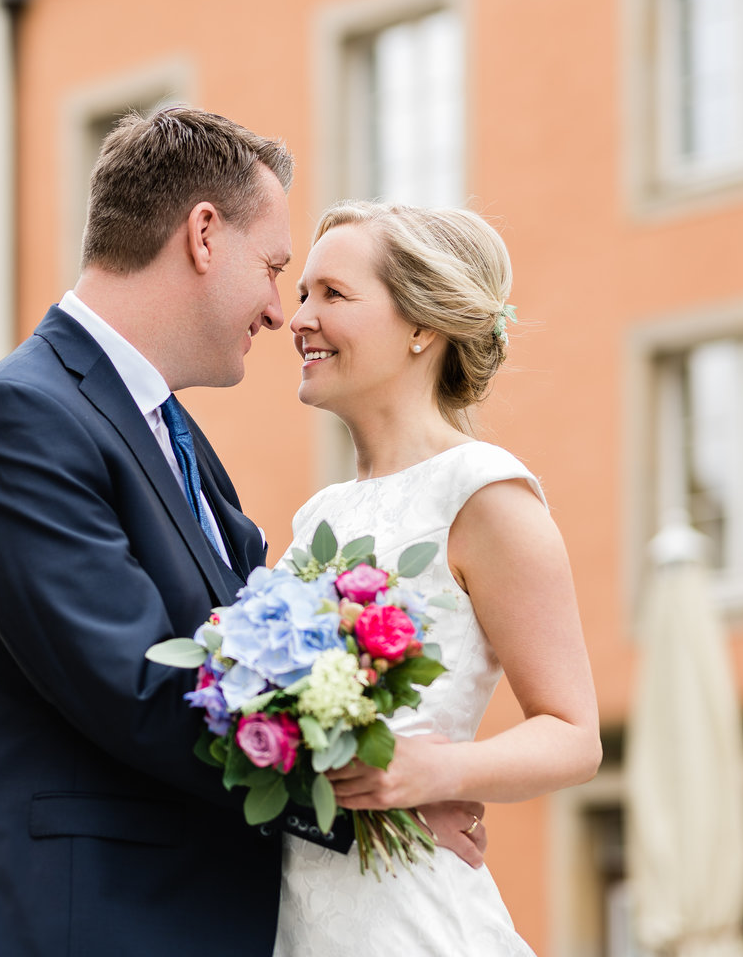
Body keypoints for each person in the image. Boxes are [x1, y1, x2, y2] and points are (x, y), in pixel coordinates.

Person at [0, 109, 486, 956]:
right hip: (87, 924)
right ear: (201, 236)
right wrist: (374, 796)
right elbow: (140, 689)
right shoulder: (21, 419)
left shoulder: (170, 434)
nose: (277, 311)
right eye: (273, 268)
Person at [274, 201, 602, 954]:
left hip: (409, 922)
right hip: (295, 908)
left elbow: (574, 736)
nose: (299, 319)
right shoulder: (317, 515)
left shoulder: (485, 495)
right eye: (301, 295)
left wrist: (430, 773)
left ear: (422, 327)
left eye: (333, 295)